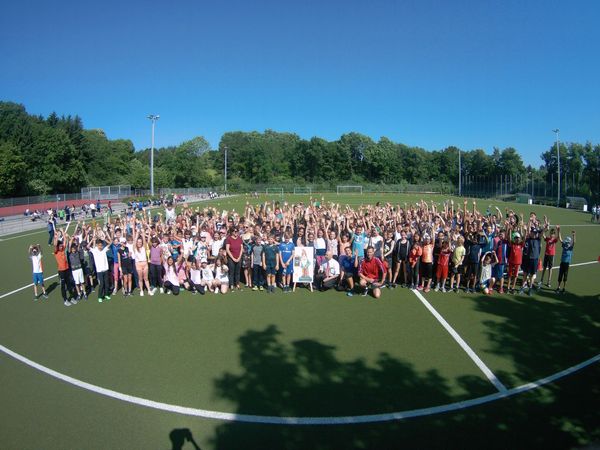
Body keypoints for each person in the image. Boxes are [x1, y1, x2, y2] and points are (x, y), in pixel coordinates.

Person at [53, 228, 78, 307]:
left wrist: (63, 231)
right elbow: (55, 244)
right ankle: (65, 300)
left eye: (61, 246)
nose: (61, 247)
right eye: (59, 246)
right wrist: (56, 236)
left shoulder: (63, 249)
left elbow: (65, 241)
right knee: (63, 286)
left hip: (67, 269)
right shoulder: (56, 251)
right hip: (61, 271)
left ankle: (72, 298)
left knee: (69, 284)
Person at [556, 229, 576, 294]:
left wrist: (574, 235)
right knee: (560, 276)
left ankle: (564, 288)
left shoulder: (570, 247)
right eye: (566, 242)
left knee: (565, 277)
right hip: (562, 263)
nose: (567, 243)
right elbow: (560, 239)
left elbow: (574, 242)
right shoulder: (564, 245)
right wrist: (558, 231)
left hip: (567, 264)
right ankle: (558, 287)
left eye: (568, 242)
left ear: (569, 242)